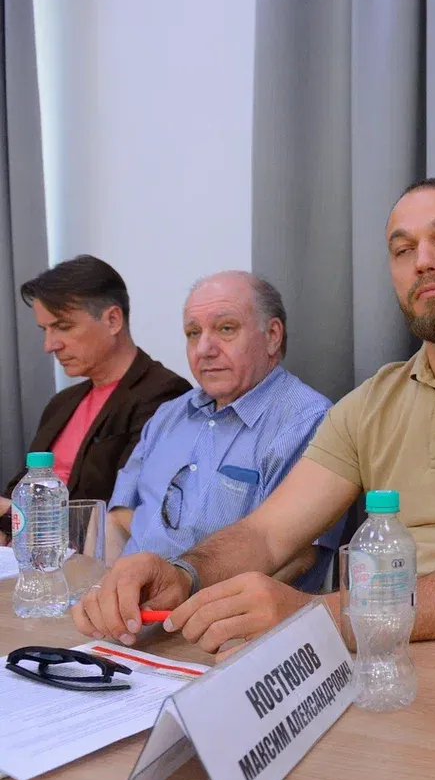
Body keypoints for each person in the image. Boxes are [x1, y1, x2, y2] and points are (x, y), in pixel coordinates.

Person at [72, 177, 435, 658]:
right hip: (387, 664)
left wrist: (321, 616)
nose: (422, 261)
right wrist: (182, 572)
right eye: (402, 250)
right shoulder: (372, 402)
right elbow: (267, 534)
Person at [76, 272, 341, 642]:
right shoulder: (168, 414)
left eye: (226, 329)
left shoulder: (307, 420)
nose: (204, 349)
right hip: (131, 627)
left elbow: (298, 558)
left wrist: (188, 615)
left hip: (216, 632)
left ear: (272, 335)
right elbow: (119, 521)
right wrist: (110, 599)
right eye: (192, 333)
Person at [1, 256, 190, 544]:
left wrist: (14, 518)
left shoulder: (164, 394)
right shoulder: (62, 403)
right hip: (30, 553)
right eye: (45, 330)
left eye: (63, 326)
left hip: (95, 558)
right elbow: (20, 489)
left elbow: (127, 508)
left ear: (113, 320)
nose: (49, 345)